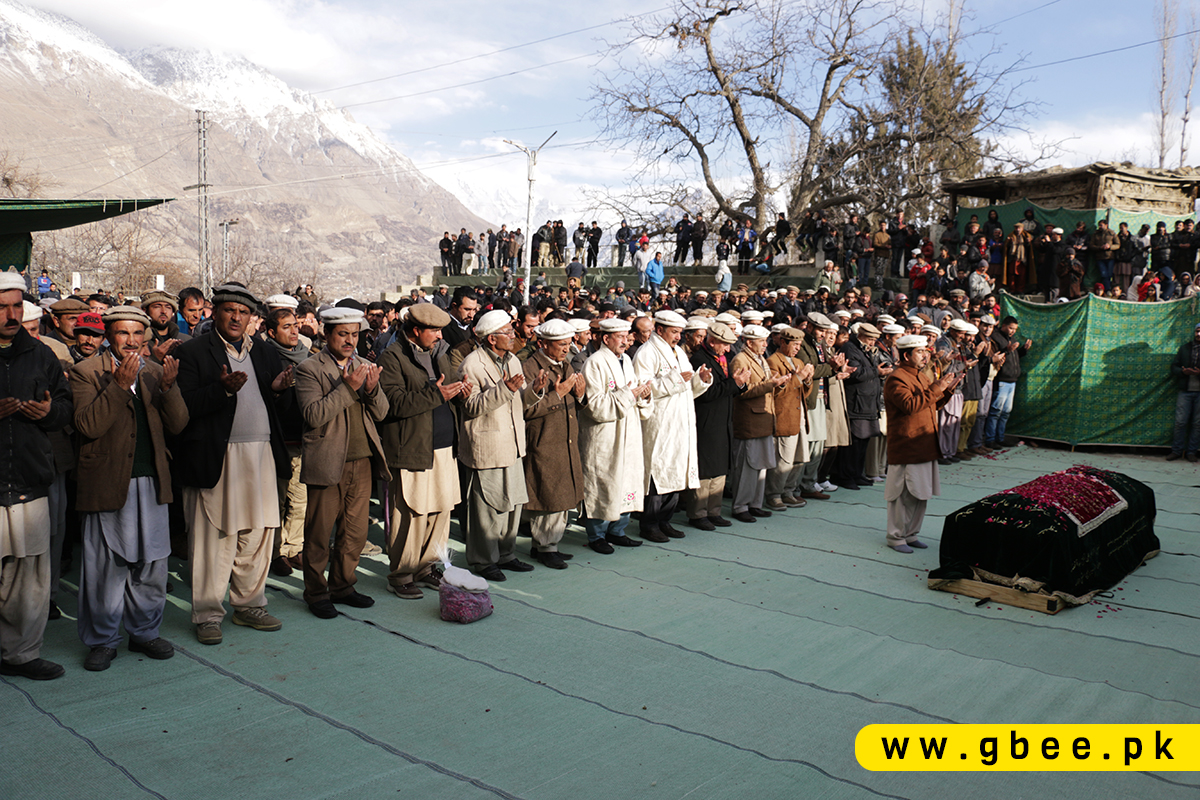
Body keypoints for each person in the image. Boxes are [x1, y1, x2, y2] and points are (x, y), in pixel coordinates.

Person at [175, 284, 295, 645]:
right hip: (217, 456)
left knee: (257, 535)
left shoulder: (263, 351)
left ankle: (250, 605)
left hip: (261, 455)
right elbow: (183, 407)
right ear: (216, 312)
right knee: (214, 538)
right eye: (229, 310)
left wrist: (277, 389)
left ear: (250, 318)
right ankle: (208, 614)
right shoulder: (194, 351)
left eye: (243, 313)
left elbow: (277, 406)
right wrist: (223, 389)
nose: (236, 318)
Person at [70, 306, 189, 671]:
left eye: (138, 334)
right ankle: (103, 640)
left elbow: (179, 423)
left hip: (152, 481)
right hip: (107, 482)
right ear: (109, 336)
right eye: (123, 334)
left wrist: (167, 389)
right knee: (106, 566)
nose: (132, 341)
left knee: (152, 564)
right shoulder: (85, 373)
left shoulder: (155, 372)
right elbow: (88, 426)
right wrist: (120, 386)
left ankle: (144, 632)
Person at [294, 307, 390, 618]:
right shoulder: (309, 368)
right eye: (343, 334)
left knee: (355, 533)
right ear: (326, 334)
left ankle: (343, 585)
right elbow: (313, 415)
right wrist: (348, 387)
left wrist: (372, 390)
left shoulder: (364, 364)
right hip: (327, 460)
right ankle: (316, 591)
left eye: (355, 334)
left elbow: (382, 413)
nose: (350, 340)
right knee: (320, 533)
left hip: (361, 461)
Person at [0, 274, 73, 680]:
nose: (11, 315)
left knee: (28, 579)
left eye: (16, 306)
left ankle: (21, 654)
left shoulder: (41, 354)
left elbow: (65, 407)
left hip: (29, 480)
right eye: (2, 307)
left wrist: (49, 414)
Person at [377, 303, 467, 599]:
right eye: (435, 330)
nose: (441, 336)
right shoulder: (392, 357)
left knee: (441, 509)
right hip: (412, 448)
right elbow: (393, 404)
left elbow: (447, 389)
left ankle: (427, 567)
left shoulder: (439, 354)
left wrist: (457, 392)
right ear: (416, 331)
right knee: (411, 513)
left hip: (443, 448)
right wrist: (436, 394)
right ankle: (401, 574)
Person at [457, 310, 544, 581]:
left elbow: (518, 402)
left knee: (513, 504)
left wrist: (535, 391)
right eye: (507, 332)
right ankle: (484, 561)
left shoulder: (514, 361)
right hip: (488, 446)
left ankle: (506, 554)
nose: (513, 336)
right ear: (492, 339)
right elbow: (471, 406)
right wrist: (505, 389)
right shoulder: (471, 364)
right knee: (487, 508)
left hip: (514, 444)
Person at [633, 310, 713, 541]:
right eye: (674, 332)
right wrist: (676, 380)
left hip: (681, 421)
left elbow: (687, 387)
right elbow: (643, 388)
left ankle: (665, 520)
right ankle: (649, 524)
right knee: (658, 474)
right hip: (661, 423)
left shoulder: (678, 352)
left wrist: (701, 381)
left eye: (680, 332)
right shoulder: (646, 353)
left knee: (676, 473)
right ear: (660, 330)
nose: (678, 337)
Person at [578, 318, 652, 553]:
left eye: (626, 336)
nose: (624, 341)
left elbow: (631, 392)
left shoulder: (627, 360)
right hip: (605, 434)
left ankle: (618, 530)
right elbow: (595, 405)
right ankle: (596, 535)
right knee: (603, 481)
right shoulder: (594, 363)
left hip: (627, 430)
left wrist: (642, 394)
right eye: (619, 337)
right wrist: (628, 395)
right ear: (605, 338)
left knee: (626, 479)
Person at [883, 334, 960, 553]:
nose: (925, 355)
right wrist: (938, 387)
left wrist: (947, 388)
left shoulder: (921, 376)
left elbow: (931, 404)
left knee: (921, 493)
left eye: (926, 351)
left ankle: (911, 533)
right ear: (906, 355)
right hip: (907, 446)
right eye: (920, 352)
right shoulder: (896, 378)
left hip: (924, 444)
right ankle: (896, 536)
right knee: (902, 495)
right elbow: (910, 405)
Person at [521, 319, 586, 569]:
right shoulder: (530, 367)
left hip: (565, 439)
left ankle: (549, 546)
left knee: (561, 494)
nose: (565, 349)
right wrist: (557, 394)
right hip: (544, 440)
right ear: (544, 344)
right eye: (561, 344)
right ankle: (545, 545)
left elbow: (577, 397)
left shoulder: (565, 364)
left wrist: (579, 394)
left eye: (568, 344)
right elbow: (527, 409)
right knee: (546, 495)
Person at [687, 322, 748, 529]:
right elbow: (707, 392)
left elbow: (726, 388)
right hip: (707, 421)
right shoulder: (699, 359)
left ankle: (714, 511)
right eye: (724, 344)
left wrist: (740, 384)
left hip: (723, 420)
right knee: (706, 469)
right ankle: (698, 513)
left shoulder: (722, 359)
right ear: (712, 341)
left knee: (720, 468)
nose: (728, 349)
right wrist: (734, 384)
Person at [764, 327, 814, 511]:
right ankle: (774, 494)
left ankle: (789, 491)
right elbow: (777, 392)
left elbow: (803, 392)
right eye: (794, 345)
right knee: (783, 460)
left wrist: (807, 380)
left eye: (800, 345)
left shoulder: (799, 361)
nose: (797, 348)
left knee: (800, 458)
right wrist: (799, 377)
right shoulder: (772, 362)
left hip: (799, 416)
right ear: (783, 342)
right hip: (784, 416)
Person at [983, 316, 1032, 450]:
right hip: (1002, 380)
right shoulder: (996, 337)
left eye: (1015, 329)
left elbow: (1013, 357)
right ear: (1003, 326)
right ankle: (990, 439)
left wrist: (1023, 350)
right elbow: (997, 355)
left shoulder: (1012, 339)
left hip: (1012, 380)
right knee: (996, 411)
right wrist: (1007, 350)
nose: (1012, 331)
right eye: (1010, 328)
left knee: (1005, 412)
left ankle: (1000, 437)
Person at [1167, 322, 1200, 462]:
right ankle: (1176, 451)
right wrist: (1182, 371)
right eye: (1197, 331)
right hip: (1185, 391)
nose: (1199, 334)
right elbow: (1173, 367)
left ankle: (1191, 452)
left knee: (1197, 424)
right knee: (1180, 422)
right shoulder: (1185, 348)